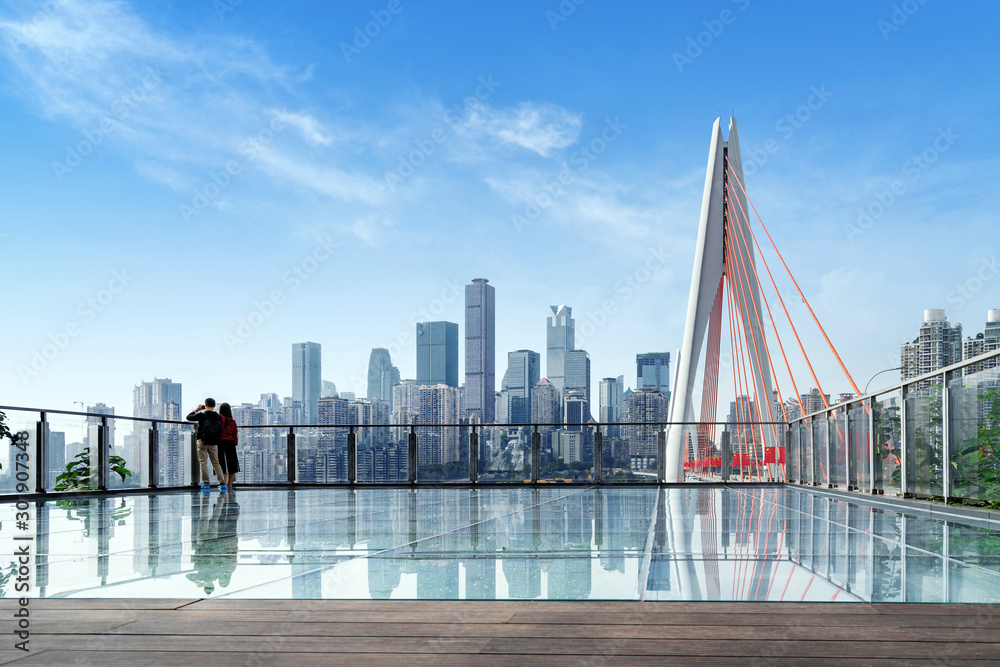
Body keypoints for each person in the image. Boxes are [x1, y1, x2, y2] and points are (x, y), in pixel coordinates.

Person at [186, 398, 227, 492]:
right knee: (216, 462)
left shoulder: (202, 414)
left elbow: (189, 417)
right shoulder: (219, 417)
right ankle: (222, 483)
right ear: (215, 406)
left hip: (202, 441)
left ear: (205, 404)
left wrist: (197, 409)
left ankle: (206, 483)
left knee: (203, 462)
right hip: (214, 442)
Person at [218, 402, 240, 491]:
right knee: (232, 464)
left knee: (220, 463)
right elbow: (235, 434)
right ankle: (229, 484)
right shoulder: (232, 421)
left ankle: (222, 483)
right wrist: (235, 443)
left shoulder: (218, 419)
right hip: (230, 443)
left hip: (219, 442)